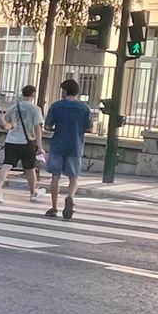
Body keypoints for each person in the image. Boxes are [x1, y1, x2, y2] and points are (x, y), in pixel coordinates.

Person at [44, 77, 94, 220]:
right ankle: (70, 197)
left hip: (58, 144)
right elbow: (90, 128)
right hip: (75, 145)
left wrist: (56, 128)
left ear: (65, 91)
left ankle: (54, 207)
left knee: (55, 176)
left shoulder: (56, 106)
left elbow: (47, 126)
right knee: (73, 177)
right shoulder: (84, 108)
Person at [0, 84, 44, 203]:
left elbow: (5, 122)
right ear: (33, 94)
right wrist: (39, 146)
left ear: (22, 93)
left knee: (6, 165)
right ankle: (32, 193)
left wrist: (12, 126)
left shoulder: (14, 107)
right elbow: (37, 128)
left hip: (11, 140)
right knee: (30, 168)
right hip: (27, 141)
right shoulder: (35, 109)